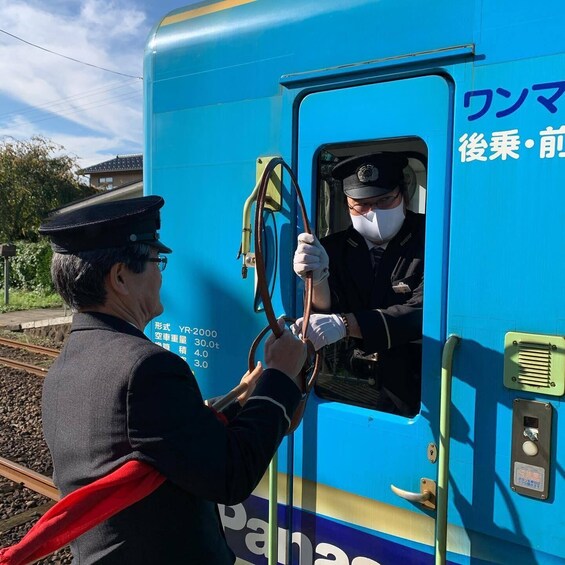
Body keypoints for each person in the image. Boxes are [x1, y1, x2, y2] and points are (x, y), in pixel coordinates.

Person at [38, 195, 306, 564]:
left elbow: (157, 444)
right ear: (120, 277)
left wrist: (241, 399)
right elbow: (231, 475)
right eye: (155, 261)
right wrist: (280, 376)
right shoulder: (145, 368)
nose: (161, 274)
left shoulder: (68, 364)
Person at [292, 152, 424, 416]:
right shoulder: (332, 248)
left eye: (385, 200)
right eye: (361, 205)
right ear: (347, 204)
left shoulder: (431, 237)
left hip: (414, 388)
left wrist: (346, 324)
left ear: (403, 195)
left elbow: (423, 313)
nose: (373, 213)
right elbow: (330, 306)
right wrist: (316, 280)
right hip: (343, 387)